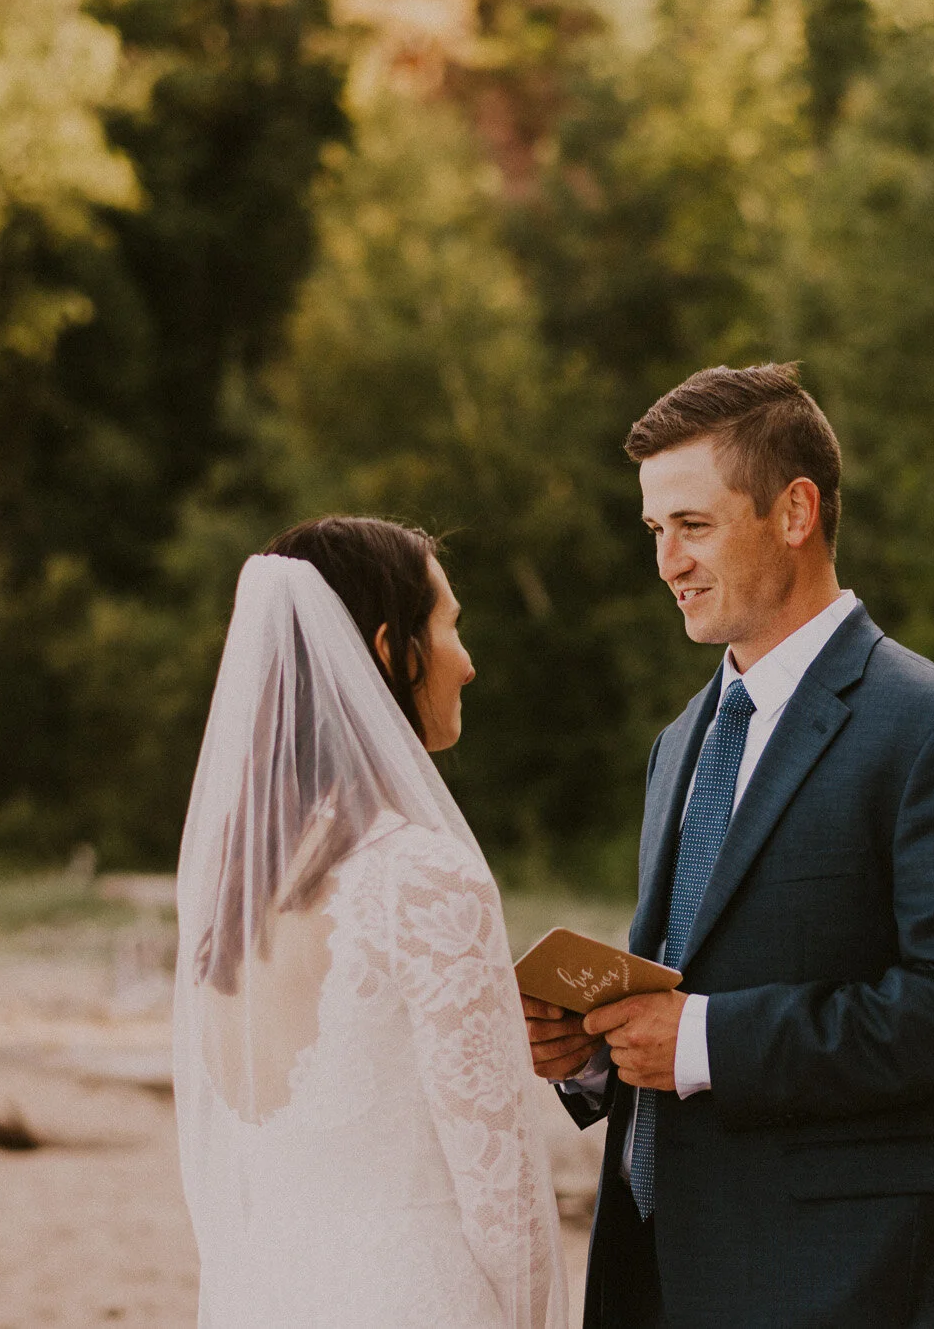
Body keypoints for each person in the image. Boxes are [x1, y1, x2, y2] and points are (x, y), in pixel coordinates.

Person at [521, 364, 934, 1328]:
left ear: (795, 510)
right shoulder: (679, 741)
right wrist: (593, 1052)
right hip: (657, 1269)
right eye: (654, 531)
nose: (667, 562)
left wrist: (710, 1040)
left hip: (849, 1279)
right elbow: (685, 983)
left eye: (694, 525)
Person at [174, 516, 567, 1329]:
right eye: (450, 625)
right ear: (390, 649)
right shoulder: (428, 880)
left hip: (266, 1297)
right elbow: (506, 1204)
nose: (468, 661)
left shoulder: (232, 889)